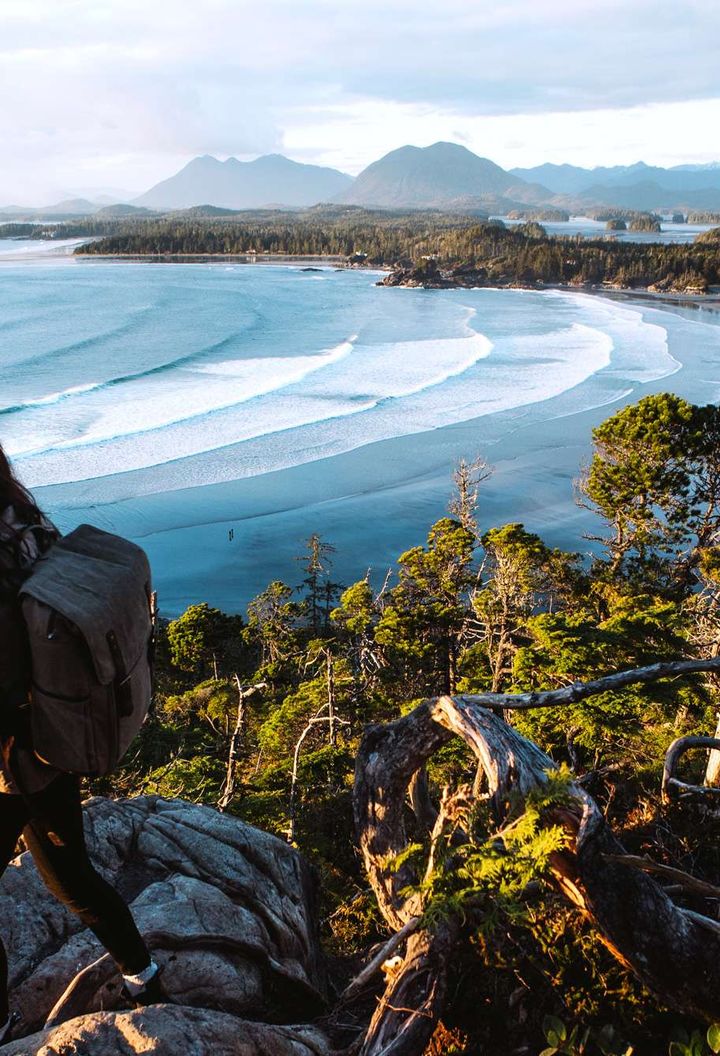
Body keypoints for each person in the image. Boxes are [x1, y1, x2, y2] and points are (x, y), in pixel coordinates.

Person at [0, 446, 161, 1044]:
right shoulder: (23, 518)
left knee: (72, 875)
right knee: (72, 877)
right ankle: (146, 976)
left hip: (18, 757)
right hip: (52, 741)